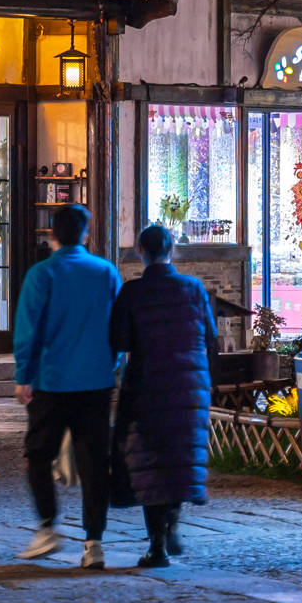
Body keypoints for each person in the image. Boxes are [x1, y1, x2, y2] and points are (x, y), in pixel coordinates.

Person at [12, 201, 121, 568]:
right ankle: (94, 544)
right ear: (86, 234)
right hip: (95, 381)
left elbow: (28, 330)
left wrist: (23, 376)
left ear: (51, 234)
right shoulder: (106, 272)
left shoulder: (41, 275)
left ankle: (47, 527)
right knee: (94, 463)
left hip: (51, 380)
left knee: (38, 454)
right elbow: (117, 328)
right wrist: (113, 364)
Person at [108, 222, 218, 567]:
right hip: (189, 388)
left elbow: (118, 342)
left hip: (147, 387)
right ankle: (172, 526)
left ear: (141, 251)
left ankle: (157, 543)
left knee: (149, 462)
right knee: (179, 456)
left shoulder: (132, 292)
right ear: (173, 250)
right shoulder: (194, 289)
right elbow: (211, 339)